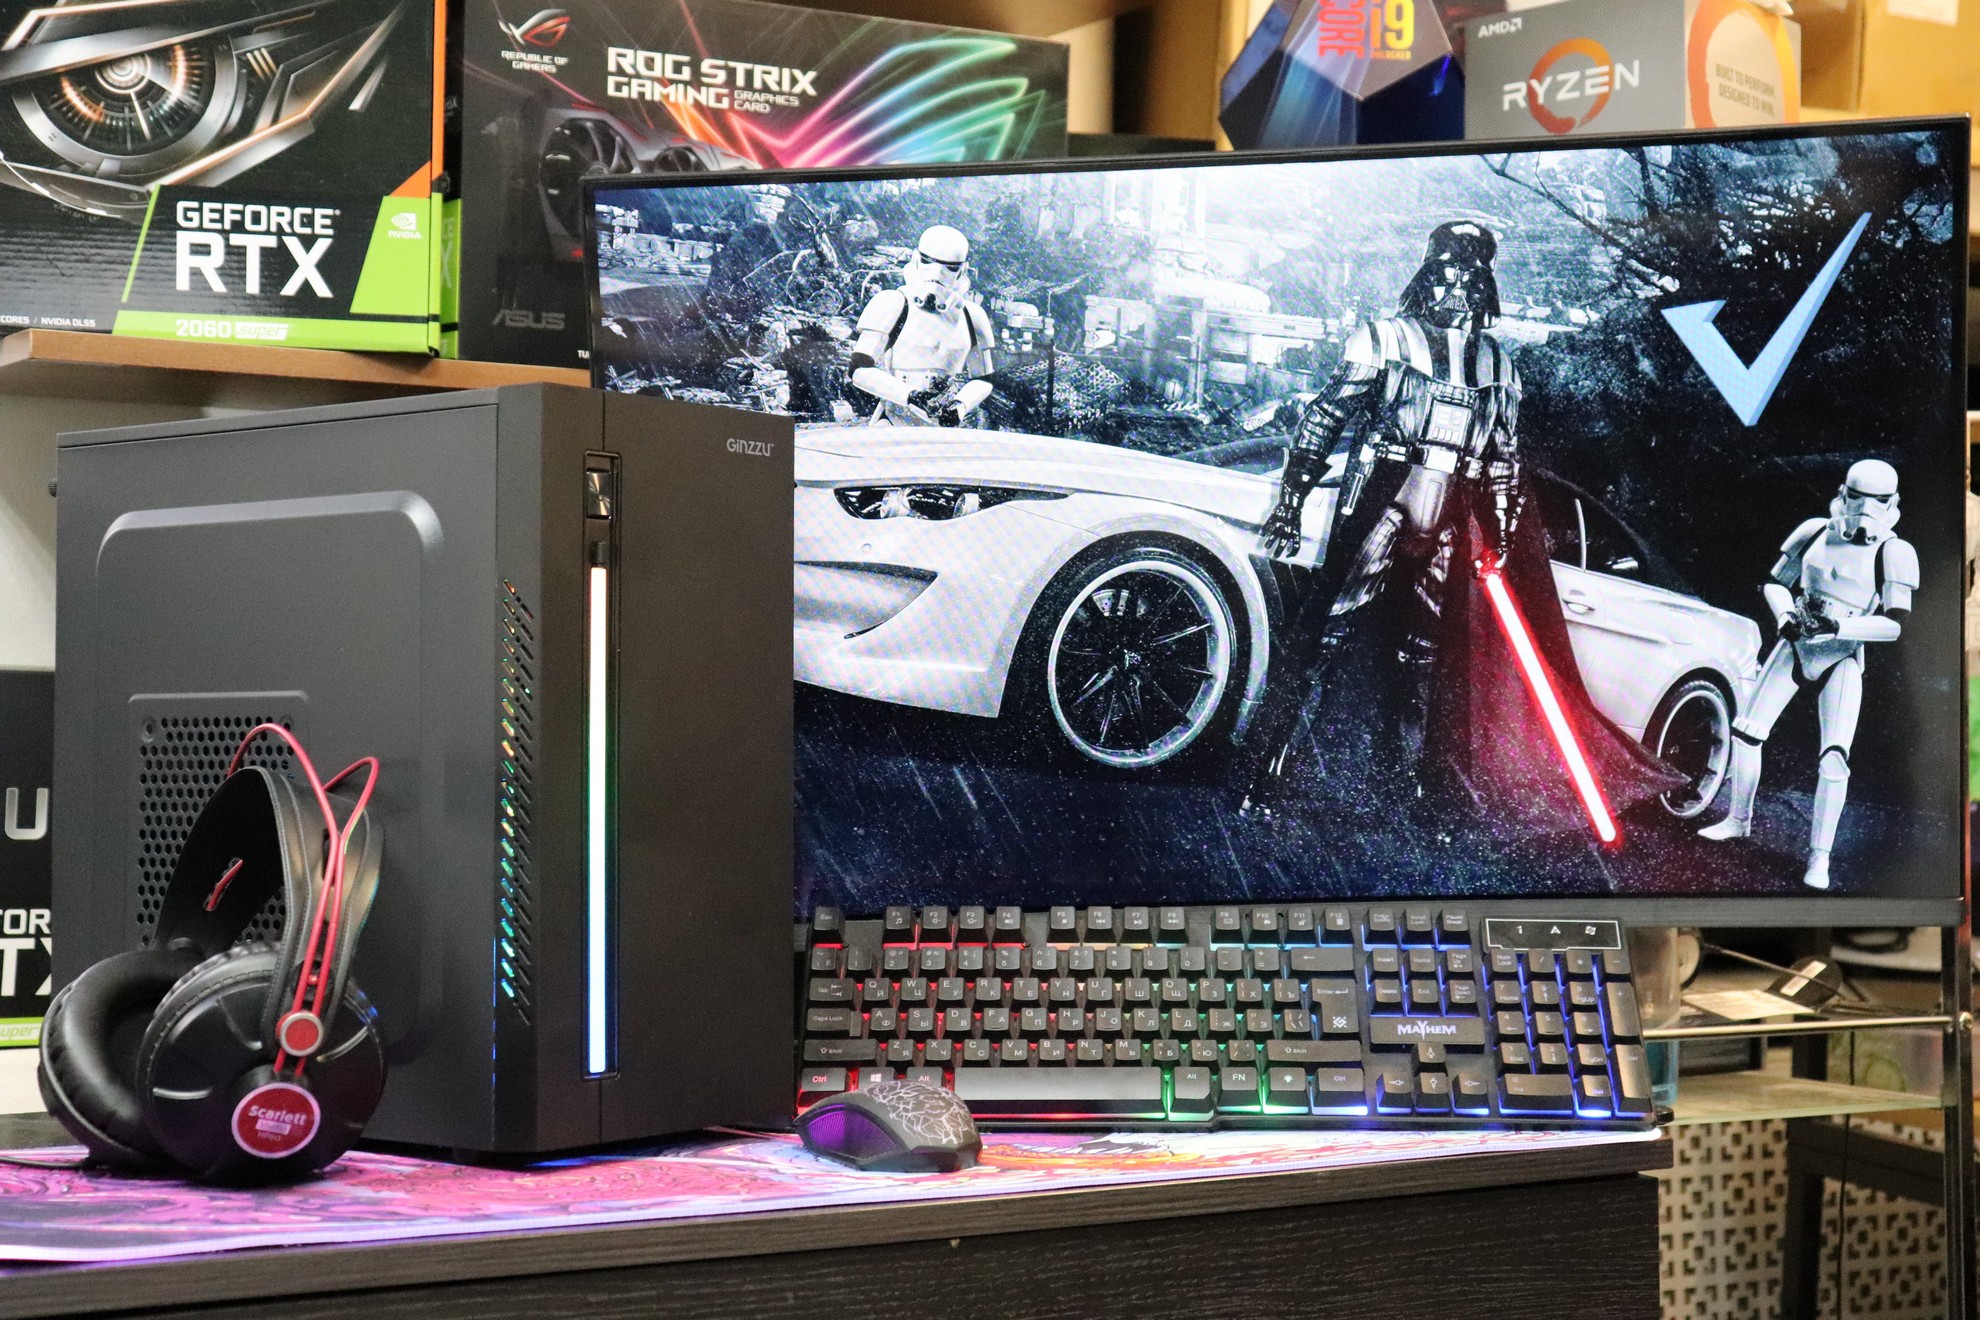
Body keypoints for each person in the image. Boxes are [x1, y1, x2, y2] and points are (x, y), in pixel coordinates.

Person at [1239, 221, 1521, 816]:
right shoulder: (1384, 338)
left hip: (1454, 503)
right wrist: (1291, 499)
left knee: (1425, 656)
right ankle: (1268, 768)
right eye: (1446, 272)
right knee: (1326, 633)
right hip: (1387, 490)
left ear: (1486, 285)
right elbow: (1326, 416)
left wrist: (1500, 532)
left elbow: (1503, 457)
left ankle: (1410, 788)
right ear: (1426, 274)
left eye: (1470, 276)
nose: (1457, 288)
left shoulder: (1500, 363)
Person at [1697, 460, 1917, 890]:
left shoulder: (1894, 552)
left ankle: (1820, 856)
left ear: (1892, 502)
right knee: (1746, 732)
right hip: (1795, 642)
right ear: (1843, 493)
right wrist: (1784, 615)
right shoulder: (1815, 531)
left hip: (1841, 655)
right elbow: (1775, 582)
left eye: (1876, 501)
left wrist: (1840, 628)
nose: (1864, 510)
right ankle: (1738, 819)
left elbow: (1894, 624)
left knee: (1834, 757)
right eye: (1857, 498)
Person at [847, 225, 996, 426]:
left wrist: (960, 406)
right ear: (916, 259)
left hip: (942, 426)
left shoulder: (972, 315)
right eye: (927, 261)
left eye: (950, 267)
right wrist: (910, 396)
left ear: (962, 270)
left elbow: (984, 379)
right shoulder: (893, 303)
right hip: (894, 421)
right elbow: (859, 369)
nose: (937, 274)